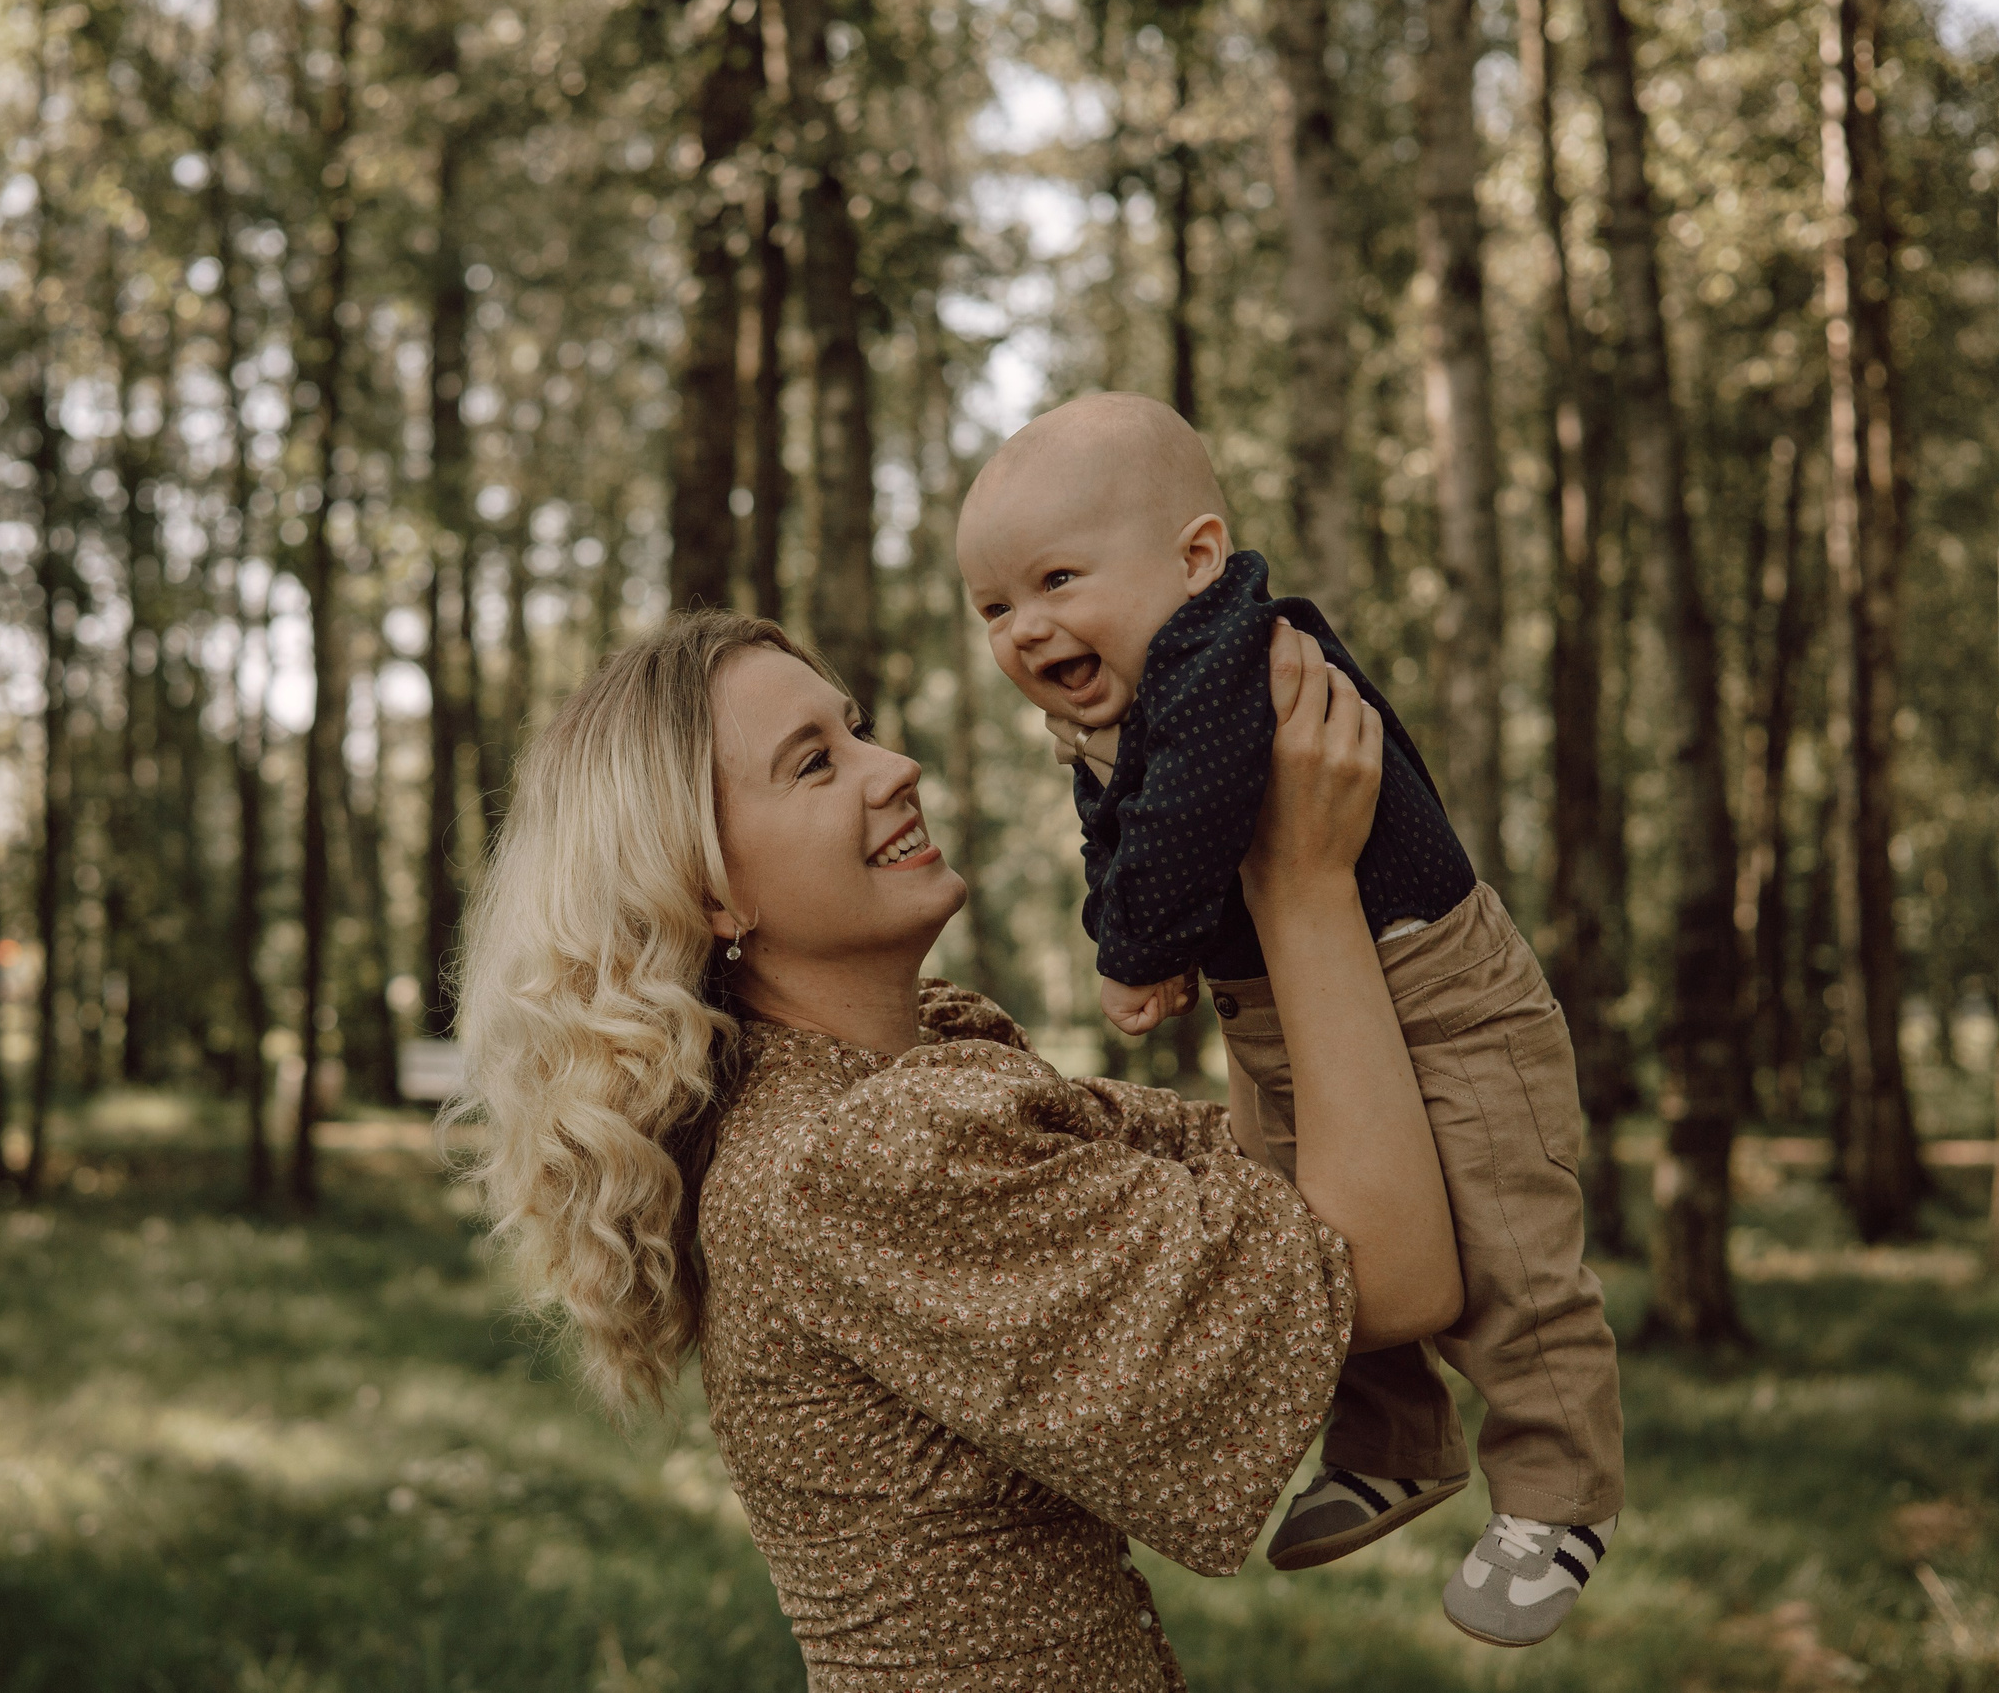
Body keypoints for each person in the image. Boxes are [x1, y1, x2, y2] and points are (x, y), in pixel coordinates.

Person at [451, 608, 1463, 1688]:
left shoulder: (904, 1079)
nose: (896, 766)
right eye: (814, 763)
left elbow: (1273, 1183)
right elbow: (1384, 1270)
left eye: (858, 729)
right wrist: (1300, 884)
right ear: (709, 891)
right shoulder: (853, 1156)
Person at [953, 392, 1624, 1647]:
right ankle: (1393, 1444)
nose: (1026, 625)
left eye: (1055, 579)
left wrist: (1133, 948)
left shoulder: (1228, 660)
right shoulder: (1126, 700)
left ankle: (1558, 1493)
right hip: (1280, 1010)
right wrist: (1146, 936)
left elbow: (1193, 817)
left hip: (1437, 997)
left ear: (1195, 560)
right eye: (994, 606)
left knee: (1507, 1249)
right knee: (1316, 1236)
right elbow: (1123, 833)